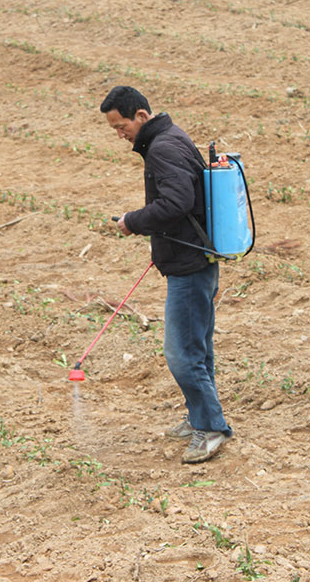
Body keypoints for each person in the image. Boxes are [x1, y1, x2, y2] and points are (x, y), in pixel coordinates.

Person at [100, 85, 233, 463]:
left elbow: (177, 202)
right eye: (114, 129)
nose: (120, 134)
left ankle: (211, 428)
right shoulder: (171, 138)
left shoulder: (162, 147)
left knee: (181, 353)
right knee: (196, 347)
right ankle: (199, 418)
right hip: (192, 257)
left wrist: (133, 221)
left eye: (121, 125)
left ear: (141, 115)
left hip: (189, 265)